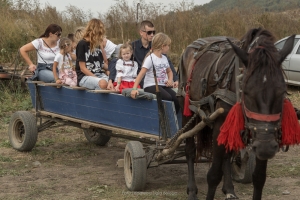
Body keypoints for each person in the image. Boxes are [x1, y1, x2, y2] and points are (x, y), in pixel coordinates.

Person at [107, 20, 178, 90]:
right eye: (149, 32)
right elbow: (116, 61)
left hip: (155, 80)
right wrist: (111, 80)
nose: (152, 35)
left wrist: (176, 80)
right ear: (141, 32)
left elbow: (168, 63)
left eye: (153, 32)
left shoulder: (156, 47)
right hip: (139, 80)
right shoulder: (132, 46)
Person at [130, 33, 179, 113]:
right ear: (163, 46)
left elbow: (169, 71)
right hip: (151, 86)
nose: (169, 48)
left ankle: (174, 118)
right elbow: (141, 74)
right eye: (168, 46)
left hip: (163, 85)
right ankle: (165, 118)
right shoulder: (150, 58)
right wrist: (134, 88)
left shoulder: (164, 58)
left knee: (176, 97)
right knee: (167, 97)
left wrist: (170, 80)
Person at [76, 18, 108, 90]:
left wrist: (112, 71)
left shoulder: (97, 45)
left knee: (114, 82)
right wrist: (97, 78)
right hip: (85, 77)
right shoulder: (82, 44)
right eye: (100, 34)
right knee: (103, 83)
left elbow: (102, 64)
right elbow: (83, 68)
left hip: (100, 75)